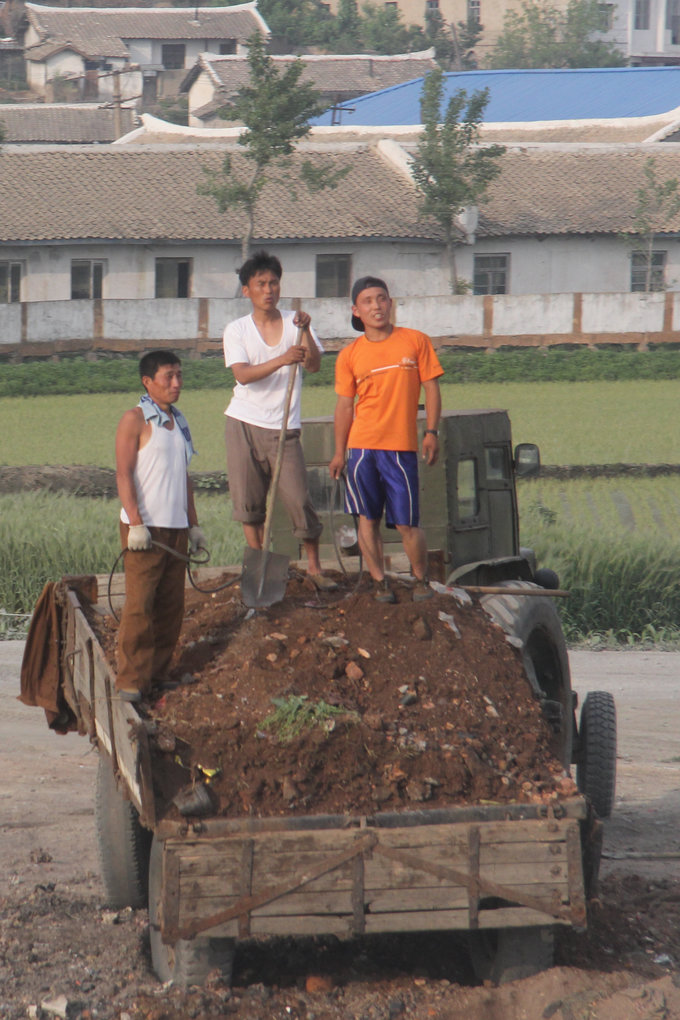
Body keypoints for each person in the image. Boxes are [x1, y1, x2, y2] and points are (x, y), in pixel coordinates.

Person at [223, 249, 336, 590]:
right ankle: (260, 568)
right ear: (247, 290)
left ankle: (315, 567)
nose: (269, 290)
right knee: (248, 504)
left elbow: (313, 365)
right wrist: (283, 358)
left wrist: (306, 333)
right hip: (243, 423)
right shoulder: (237, 330)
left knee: (299, 499)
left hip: (284, 427)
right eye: (261, 284)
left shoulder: (295, 323)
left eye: (273, 283)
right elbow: (242, 375)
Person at [329, 276, 443, 603]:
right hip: (362, 448)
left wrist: (431, 432)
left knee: (407, 522)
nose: (376, 306)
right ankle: (380, 582)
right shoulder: (349, 355)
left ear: (390, 303)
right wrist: (339, 452)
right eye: (368, 301)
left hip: (400, 448)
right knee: (367, 519)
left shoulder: (415, 341)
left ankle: (420, 579)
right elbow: (344, 406)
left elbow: (432, 389)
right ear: (356, 310)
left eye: (382, 299)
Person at [115, 350, 205, 702]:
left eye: (180, 375)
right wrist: (135, 522)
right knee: (139, 605)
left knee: (171, 605)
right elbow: (123, 473)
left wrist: (193, 525)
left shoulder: (178, 422)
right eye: (169, 376)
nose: (176, 383)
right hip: (146, 530)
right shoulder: (135, 420)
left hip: (176, 528)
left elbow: (184, 477)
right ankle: (130, 681)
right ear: (147, 381)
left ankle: (157, 673)